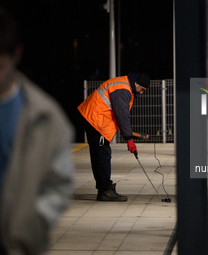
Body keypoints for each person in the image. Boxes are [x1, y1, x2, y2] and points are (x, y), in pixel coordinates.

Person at [0, 7, 74, 255]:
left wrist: (31, 224)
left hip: (20, 246)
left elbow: (59, 184)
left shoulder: (46, 118)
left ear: (16, 54)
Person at [77, 72, 150, 202]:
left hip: (93, 117)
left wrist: (129, 134)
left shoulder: (123, 84)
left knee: (99, 154)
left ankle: (104, 187)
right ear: (136, 83)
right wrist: (129, 139)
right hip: (96, 120)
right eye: (142, 89)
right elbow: (122, 116)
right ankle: (105, 191)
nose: (142, 93)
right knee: (102, 155)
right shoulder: (123, 90)